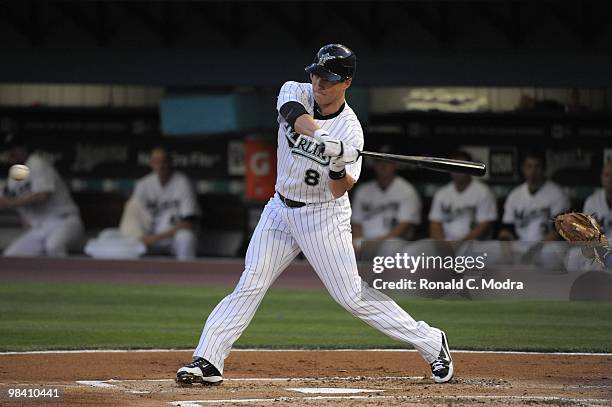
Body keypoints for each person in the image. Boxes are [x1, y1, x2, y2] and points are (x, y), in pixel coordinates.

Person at [176, 44, 453, 386]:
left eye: (328, 78)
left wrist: (338, 163)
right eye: (317, 74)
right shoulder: (296, 91)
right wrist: (323, 138)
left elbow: (340, 188)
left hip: (323, 216)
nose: (318, 83)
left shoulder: (351, 132)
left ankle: (431, 342)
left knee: (352, 296)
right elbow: (292, 113)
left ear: (346, 82)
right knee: (252, 280)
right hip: (280, 209)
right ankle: (208, 360)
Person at [0, 133, 83, 256]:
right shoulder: (13, 177)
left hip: (64, 221)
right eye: (8, 150)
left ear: (24, 147)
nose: (11, 153)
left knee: (53, 246)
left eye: (15, 148)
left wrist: (12, 202)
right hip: (39, 228)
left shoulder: (37, 163)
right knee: (11, 255)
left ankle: (61, 275)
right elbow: (6, 200)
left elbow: (43, 195)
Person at [123, 146, 199, 260]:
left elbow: (188, 224)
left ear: (170, 163)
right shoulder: (143, 184)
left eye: (164, 161)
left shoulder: (182, 183)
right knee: (129, 240)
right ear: (151, 163)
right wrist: (140, 236)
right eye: (156, 162)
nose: (161, 165)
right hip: (148, 237)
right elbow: (132, 215)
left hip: (172, 237)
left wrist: (156, 238)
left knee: (186, 237)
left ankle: (187, 275)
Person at [498, 150, 569, 267]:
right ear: (523, 169)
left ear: (544, 169)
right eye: (529, 166)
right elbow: (506, 229)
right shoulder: (515, 195)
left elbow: (558, 232)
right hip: (520, 245)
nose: (533, 171)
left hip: (546, 246)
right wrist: (506, 248)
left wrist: (533, 250)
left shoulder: (557, 193)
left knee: (550, 254)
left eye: (537, 167)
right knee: (491, 250)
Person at [351, 154, 421, 256]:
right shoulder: (363, 190)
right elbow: (356, 223)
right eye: (379, 162)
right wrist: (357, 242)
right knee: (345, 247)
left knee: (390, 247)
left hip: (391, 241)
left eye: (387, 162)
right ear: (374, 165)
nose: (383, 166)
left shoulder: (407, 190)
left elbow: (405, 226)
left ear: (395, 165)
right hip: (365, 240)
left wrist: (377, 243)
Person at [429, 150, 497, 242]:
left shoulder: (483, 192)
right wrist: (441, 246)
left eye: (461, 167)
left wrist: (460, 245)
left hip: (474, 244)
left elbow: (484, 225)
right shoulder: (441, 193)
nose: (457, 171)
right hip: (446, 244)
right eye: (453, 167)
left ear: (470, 168)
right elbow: (435, 223)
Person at [583, 162, 612, 234]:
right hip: (600, 244)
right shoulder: (592, 201)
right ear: (601, 178)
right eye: (607, 175)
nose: (610, 179)